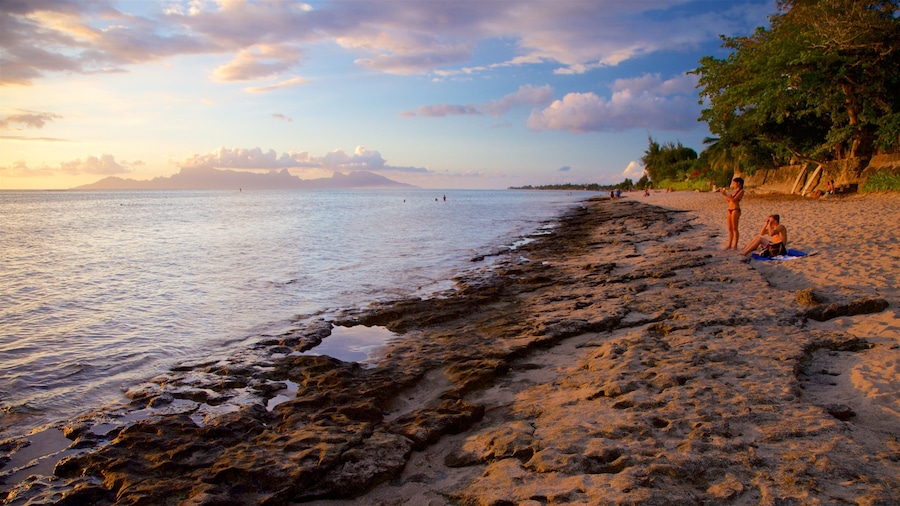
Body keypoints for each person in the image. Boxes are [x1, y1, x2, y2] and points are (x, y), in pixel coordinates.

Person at [720, 177, 744, 250]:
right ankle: (729, 244)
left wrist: (725, 194)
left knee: (734, 228)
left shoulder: (741, 191)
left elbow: (734, 200)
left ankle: (735, 245)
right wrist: (724, 195)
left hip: (735, 210)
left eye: (734, 183)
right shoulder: (735, 191)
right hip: (730, 209)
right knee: (730, 228)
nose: (733, 184)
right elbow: (729, 200)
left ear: (738, 183)